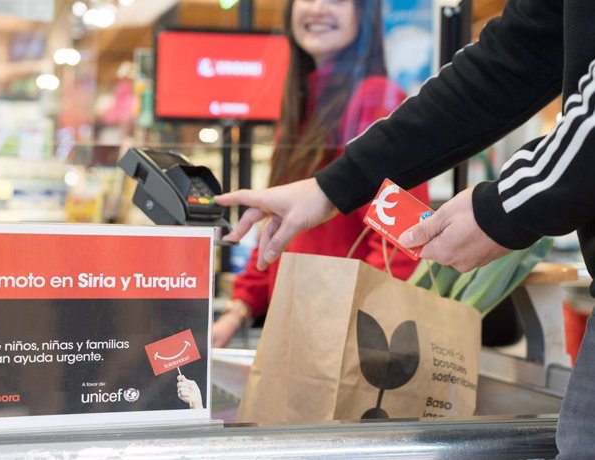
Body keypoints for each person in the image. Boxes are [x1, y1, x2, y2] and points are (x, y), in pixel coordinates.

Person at [215, 0, 594, 457]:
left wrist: (501, 209)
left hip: (345, 329)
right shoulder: (300, 105)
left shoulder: (372, 95)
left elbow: (390, 239)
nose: (316, 8)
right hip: (312, 322)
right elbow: (513, 56)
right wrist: (327, 190)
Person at [212, 0, 429, 347]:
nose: (317, 8)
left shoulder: (377, 101)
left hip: (341, 340)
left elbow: (400, 241)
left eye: (337, 0)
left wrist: (351, 331)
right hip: (297, 331)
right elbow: (278, 227)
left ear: (364, 15)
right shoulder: (303, 105)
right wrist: (238, 309)